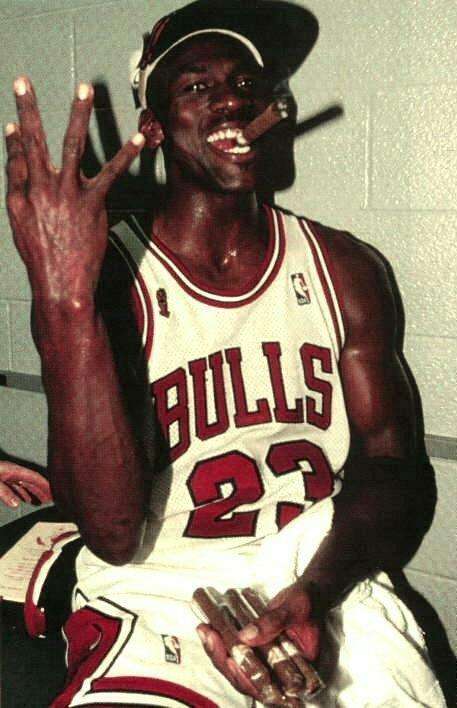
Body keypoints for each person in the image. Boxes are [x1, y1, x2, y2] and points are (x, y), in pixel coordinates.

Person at [4, 0, 445, 705]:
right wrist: (66, 301)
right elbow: (112, 534)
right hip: (159, 582)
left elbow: (393, 468)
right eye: (197, 86)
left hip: (313, 565)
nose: (231, 101)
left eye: (245, 85)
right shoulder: (104, 278)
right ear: (153, 126)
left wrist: (315, 593)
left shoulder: (345, 268)